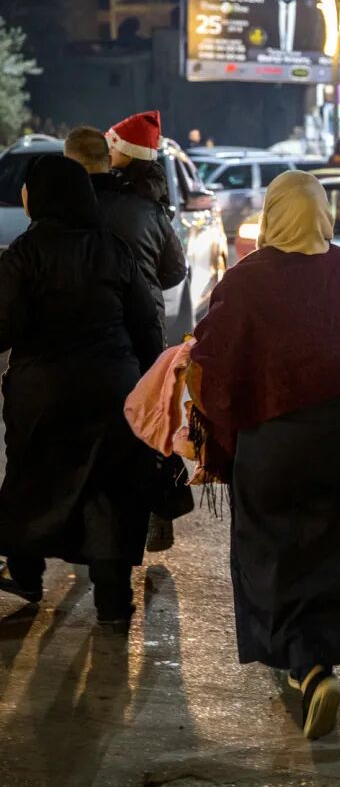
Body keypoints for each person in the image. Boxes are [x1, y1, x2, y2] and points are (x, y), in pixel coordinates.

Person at [188, 171, 340, 740]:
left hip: (274, 446)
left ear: (274, 216)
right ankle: (318, 657)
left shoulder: (246, 282)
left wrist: (220, 427)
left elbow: (213, 368)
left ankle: (307, 666)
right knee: (337, 554)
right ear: (324, 215)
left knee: (271, 552)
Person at [0, 157, 162, 631]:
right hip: (112, 389)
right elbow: (146, 325)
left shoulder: (24, 253)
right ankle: (113, 604)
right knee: (110, 491)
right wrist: (149, 381)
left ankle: (25, 574)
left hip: (42, 393)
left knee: (32, 480)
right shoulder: (114, 249)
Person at [65, 126, 191, 553]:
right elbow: (176, 270)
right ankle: (159, 509)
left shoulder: (82, 206)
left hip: (92, 328)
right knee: (150, 417)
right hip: (144, 329)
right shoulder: (150, 209)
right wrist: (146, 279)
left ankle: (90, 519)